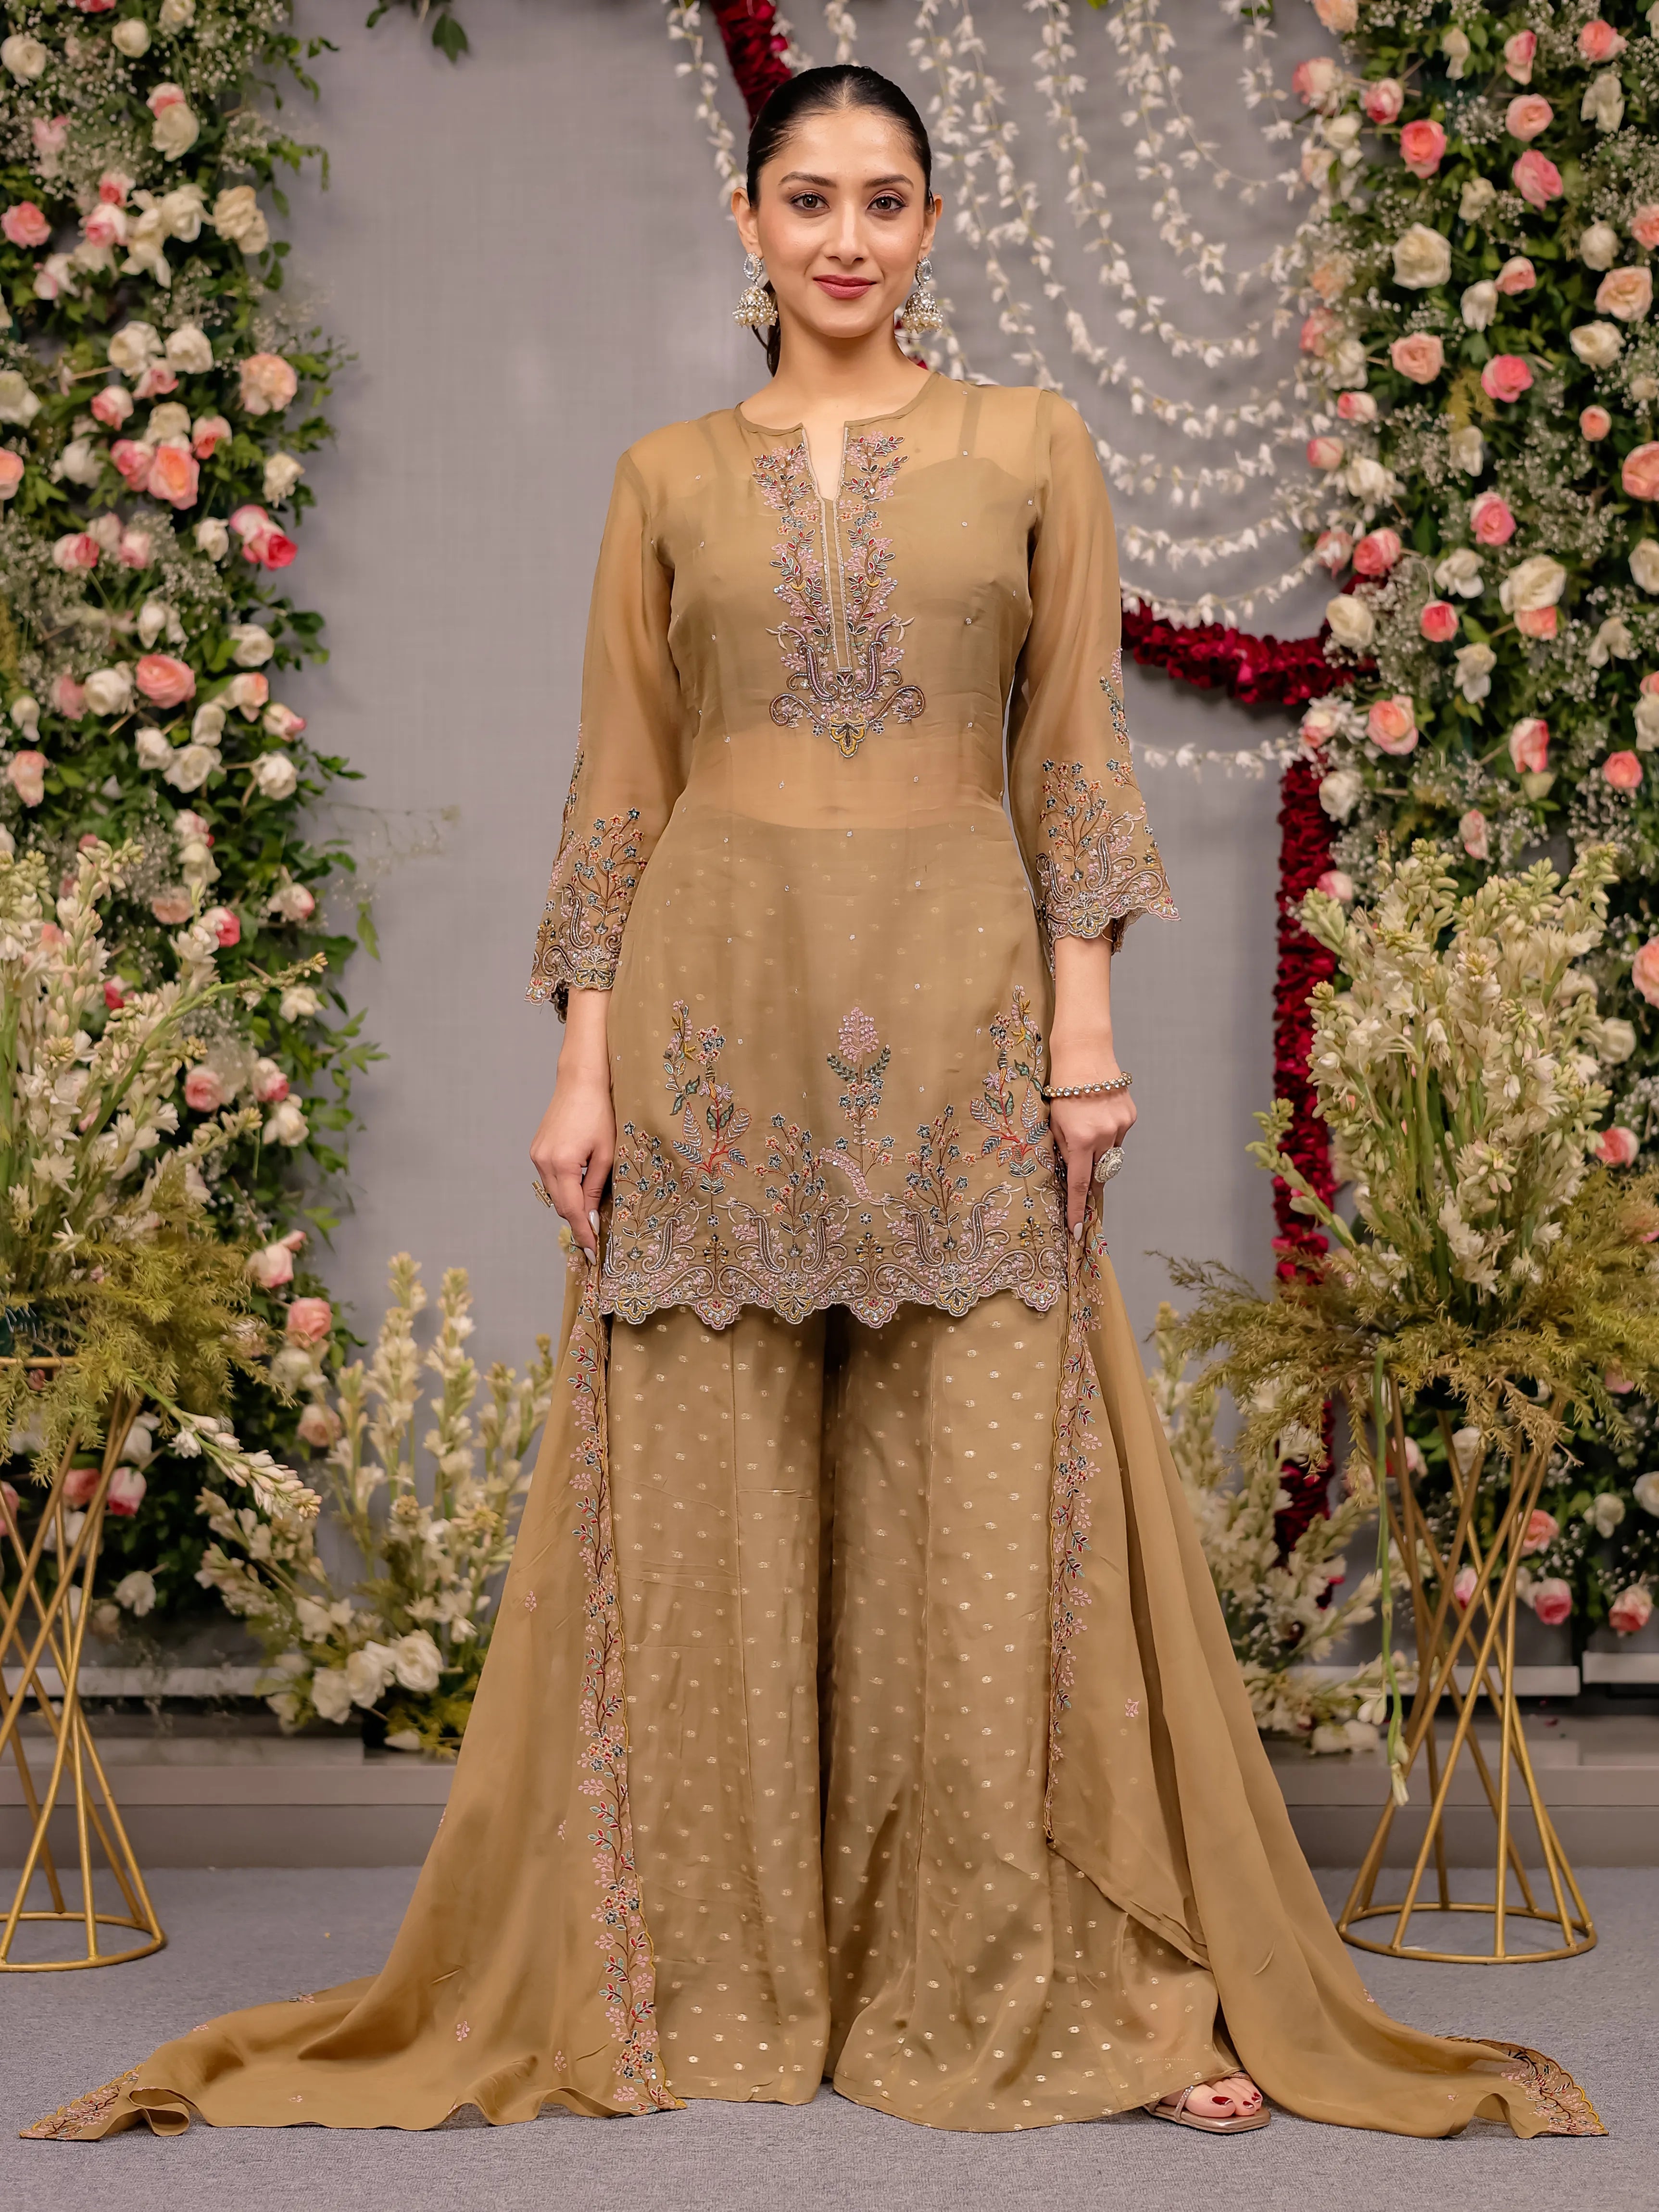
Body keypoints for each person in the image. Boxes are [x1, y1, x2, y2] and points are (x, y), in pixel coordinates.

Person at [25, 64, 1600, 2148]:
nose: (844, 237)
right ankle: (704, 1978)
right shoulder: (665, 476)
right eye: (808, 199)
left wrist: (1085, 1032)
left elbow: (1066, 756)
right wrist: (579, 1065)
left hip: (963, 1015)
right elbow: (622, 778)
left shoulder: (1030, 445)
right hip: (712, 1021)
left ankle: (1036, 1982)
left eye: (882, 200)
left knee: (991, 1518)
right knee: (707, 1514)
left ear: (930, 224)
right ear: (749, 223)